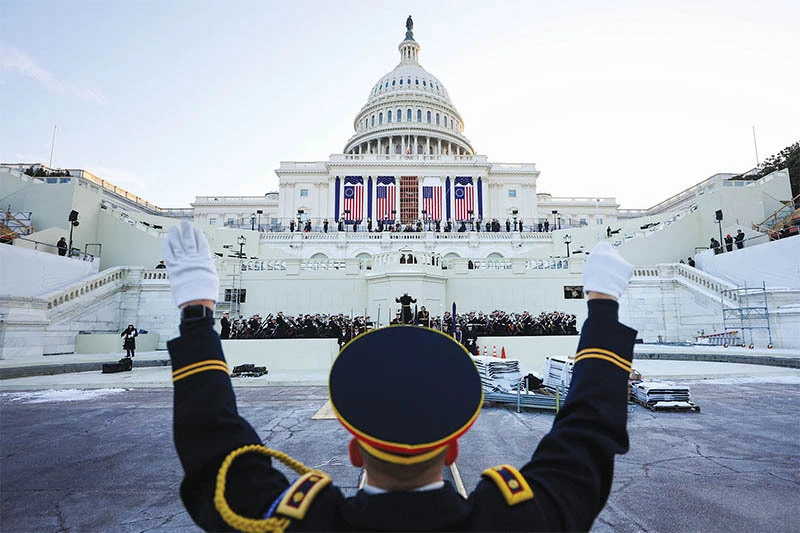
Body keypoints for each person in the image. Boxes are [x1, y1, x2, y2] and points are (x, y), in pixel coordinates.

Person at [163, 221, 636, 532]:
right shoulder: (517, 520)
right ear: (453, 447)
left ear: (353, 450)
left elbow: (214, 450)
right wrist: (603, 307)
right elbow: (588, 436)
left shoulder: (294, 523)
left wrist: (197, 310)